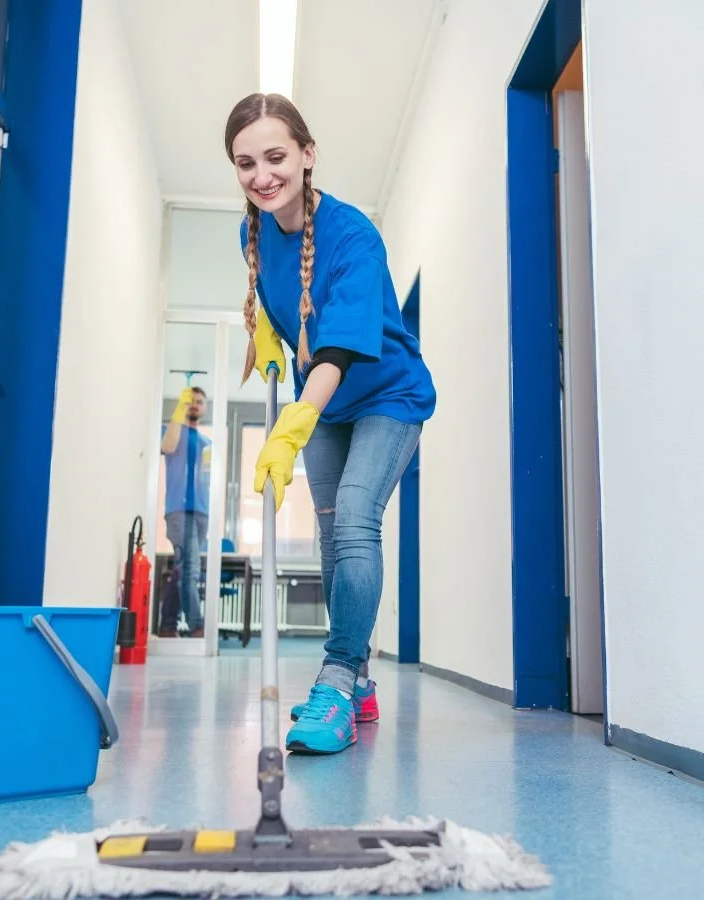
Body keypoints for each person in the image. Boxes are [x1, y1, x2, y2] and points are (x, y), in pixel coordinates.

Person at [224, 92, 436, 754]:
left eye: (277, 156)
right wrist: (265, 334)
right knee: (327, 538)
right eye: (246, 162)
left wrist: (291, 426)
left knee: (354, 520)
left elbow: (339, 349)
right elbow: (285, 303)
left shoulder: (352, 235)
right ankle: (362, 677)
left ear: (308, 155)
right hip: (328, 405)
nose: (263, 175)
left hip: (386, 397)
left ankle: (338, 680)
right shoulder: (251, 232)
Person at [159, 385, 211, 638]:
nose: (195, 405)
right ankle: (197, 625)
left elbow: (207, 479)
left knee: (182, 569)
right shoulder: (173, 432)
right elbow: (167, 448)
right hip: (179, 510)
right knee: (189, 568)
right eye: (190, 401)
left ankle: (167, 625)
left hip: (201, 513)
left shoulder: (206, 442)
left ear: (205, 408)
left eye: (199, 401)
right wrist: (180, 405)